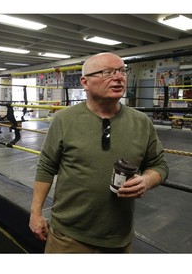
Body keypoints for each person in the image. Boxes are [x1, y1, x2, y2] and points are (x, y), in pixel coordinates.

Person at [29, 52, 169, 253]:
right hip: (68, 236)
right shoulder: (64, 119)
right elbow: (46, 167)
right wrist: (35, 213)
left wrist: (146, 181)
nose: (118, 77)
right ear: (85, 82)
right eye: (107, 72)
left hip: (118, 239)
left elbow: (159, 165)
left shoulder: (142, 122)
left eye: (122, 71)